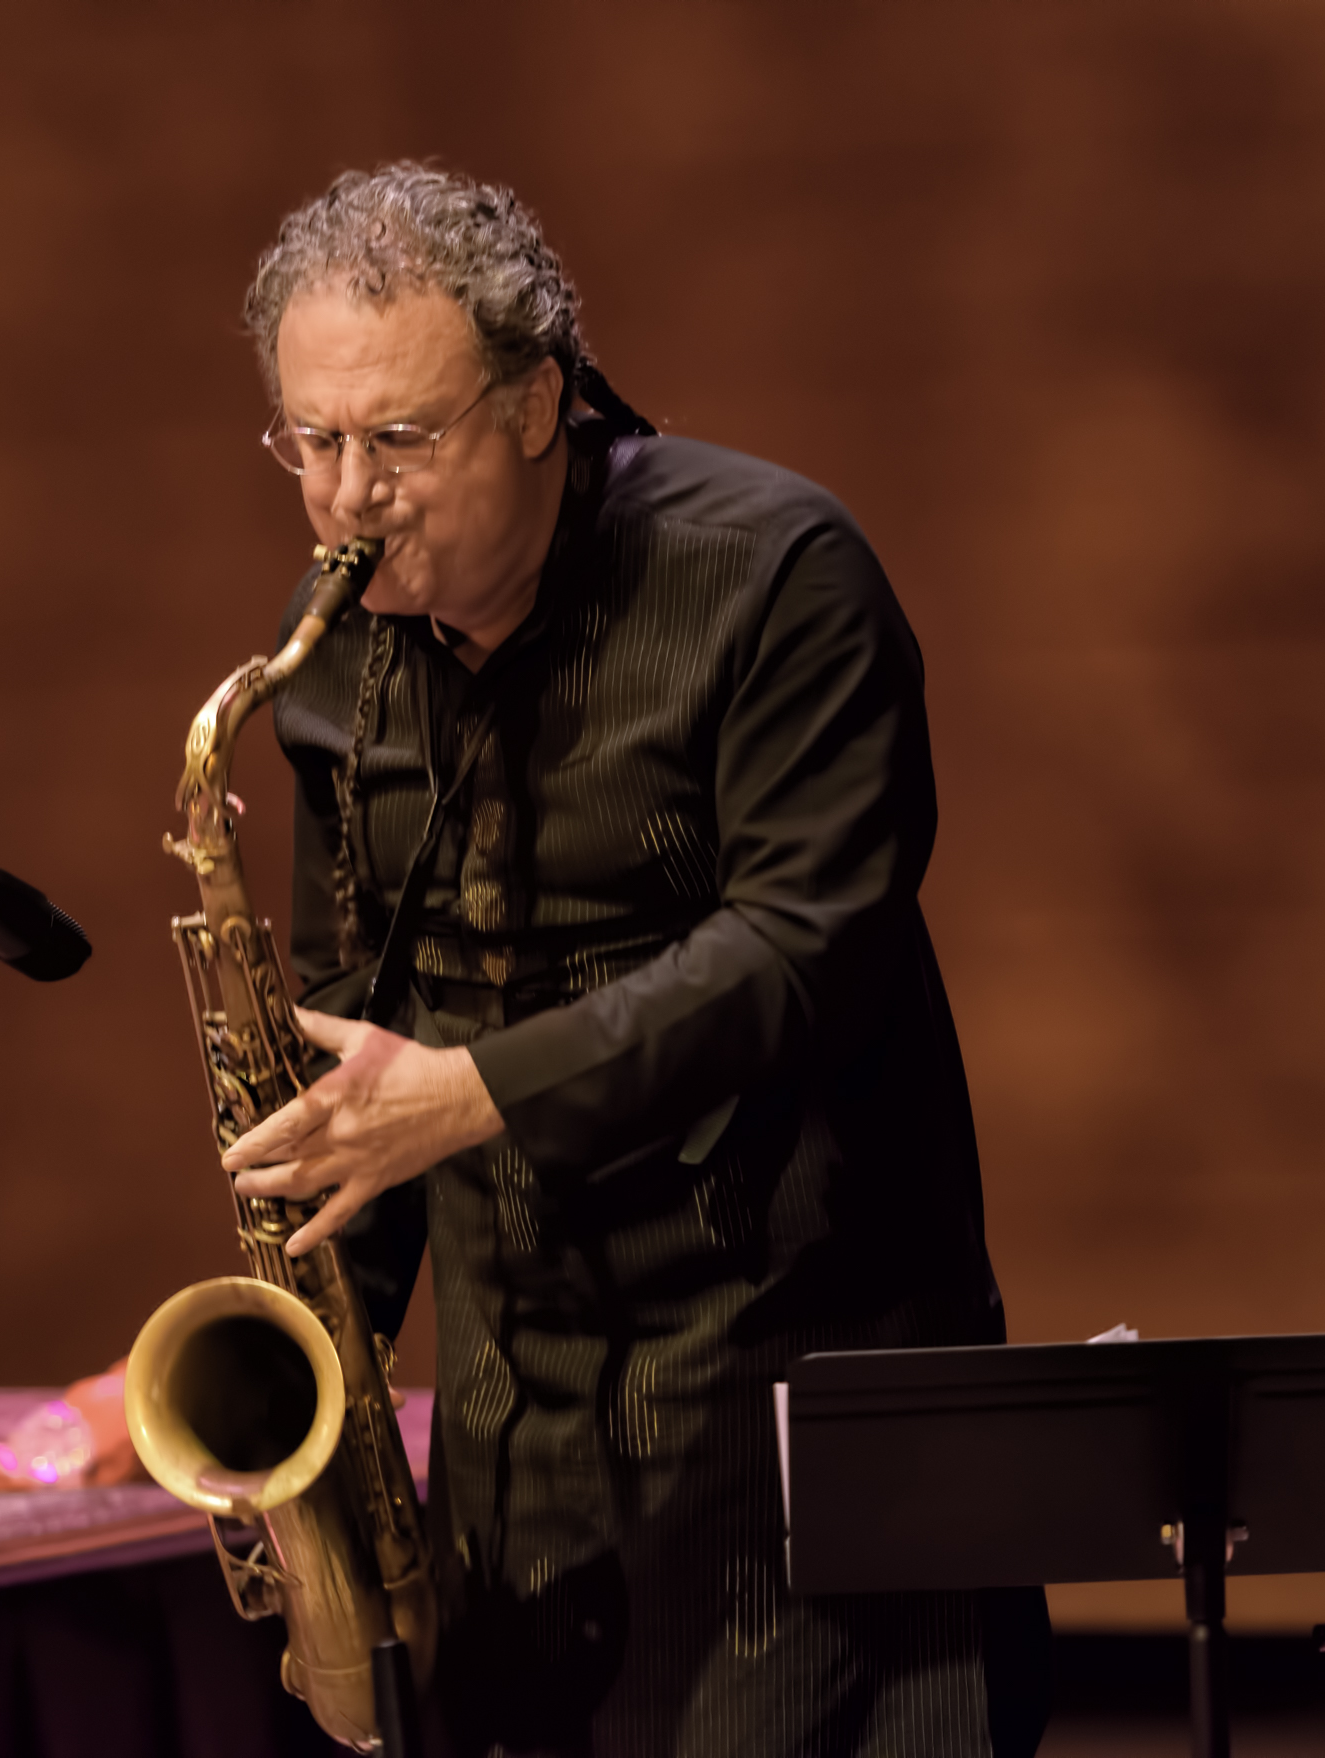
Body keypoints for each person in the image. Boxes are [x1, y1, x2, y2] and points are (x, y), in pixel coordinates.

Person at [217, 162, 1047, 1758]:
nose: (346, 496)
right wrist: (303, 1385)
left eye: (400, 438)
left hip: (800, 1421)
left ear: (537, 402)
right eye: (309, 442)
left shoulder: (772, 575)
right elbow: (359, 1049)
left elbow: (808, 950)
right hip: (522, 1463)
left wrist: (473, 1095)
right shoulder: (332, 667)